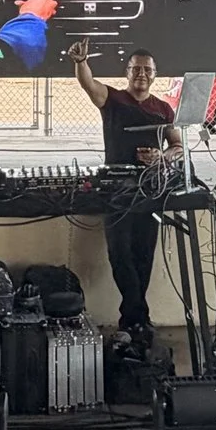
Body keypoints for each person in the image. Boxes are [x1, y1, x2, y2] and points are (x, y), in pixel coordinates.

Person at [70, 41, 181, 339]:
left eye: (147, 70)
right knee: (119, 254)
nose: (141, 74)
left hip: (150, 189)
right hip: (115, 189)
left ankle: (132, 320)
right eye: (136, 69)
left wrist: (161, 157)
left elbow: (177, 146)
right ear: (127, 72)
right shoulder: (113, 99)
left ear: (155, 74)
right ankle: (137, 317)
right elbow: (89, 84)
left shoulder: (162, 109)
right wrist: (81, 62)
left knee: (144, 254)